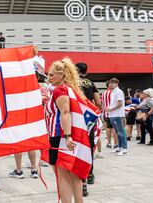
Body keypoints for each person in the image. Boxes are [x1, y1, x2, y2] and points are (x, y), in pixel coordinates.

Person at [45, 58, 85, 203]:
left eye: (51, 75)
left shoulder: (59, 90)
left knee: (62, 174)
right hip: (68, 136)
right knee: (73, 174)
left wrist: (67, 136)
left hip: (59, 136)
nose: (49, 77)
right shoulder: (69, 89)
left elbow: (65, 112)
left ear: (61, 75)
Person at [76, 62, 101, 196]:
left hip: (75, 118)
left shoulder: (71, 82)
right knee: (89, 146)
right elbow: (98, 103)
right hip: (88, 119)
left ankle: (81, 180)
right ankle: (89, 173)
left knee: (77, 148)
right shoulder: (91, 83)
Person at [105, 78, 128, 156]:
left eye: (112, 83)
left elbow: (120, 104)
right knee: (118, 132)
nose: (110, 84)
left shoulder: (119, 92)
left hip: (118, 115)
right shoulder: (112, 92)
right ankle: (119, 147)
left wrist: (110, 109)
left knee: (121, 132)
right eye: (110, 83)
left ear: (117, 84)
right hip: (113, 115)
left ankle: (124, 149)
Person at [101, 81, 118, 148]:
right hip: (113, 113)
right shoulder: (113, 92)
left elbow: (102, 104)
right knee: (114, 128)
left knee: (108, 128)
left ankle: (109, 143)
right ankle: (116, 143)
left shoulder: (104, 93)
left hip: (106, 113)